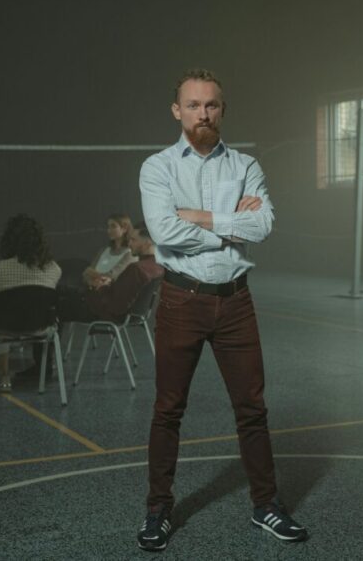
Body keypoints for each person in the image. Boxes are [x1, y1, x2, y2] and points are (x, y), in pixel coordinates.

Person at [136, 69, 307, 551]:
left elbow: (265, 225)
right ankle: (157, 510)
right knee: (168, 410)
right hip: (180, 300)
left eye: (211, 104)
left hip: (236, 301)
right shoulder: (157, 167)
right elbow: (165, 233)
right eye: (193, 105)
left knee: (252, 409)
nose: (202, 113)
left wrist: (199, 216)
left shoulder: (247, 166)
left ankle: (267, 505)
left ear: (222, 109)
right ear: (177, 111)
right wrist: (232, 224)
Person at [0, 214, 61, 392]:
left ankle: (4, 376)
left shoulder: (0, 268)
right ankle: (42, 376)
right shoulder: (54, 268)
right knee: (2, 312)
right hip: (40, 328)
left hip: (5, 327)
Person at [60, 222, 163, 324]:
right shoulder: (158, 266)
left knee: (57, 302)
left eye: (133, 240)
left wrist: (101, 287)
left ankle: (49, 336)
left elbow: (115, 307)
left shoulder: (136, 269)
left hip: (107, 313)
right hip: (136, 315)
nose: (129, 243)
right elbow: (126, 293)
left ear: (147, 243)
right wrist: (109, 283)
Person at [82, 213, 137, 289]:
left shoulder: (130, 254)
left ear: (124, 229)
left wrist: (92, 273)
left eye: (113, 226)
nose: (109, 230)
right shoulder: (103, 250)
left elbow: (113, 276)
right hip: (94, 292)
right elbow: (86, 274)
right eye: (108, 226)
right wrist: (92, 282)